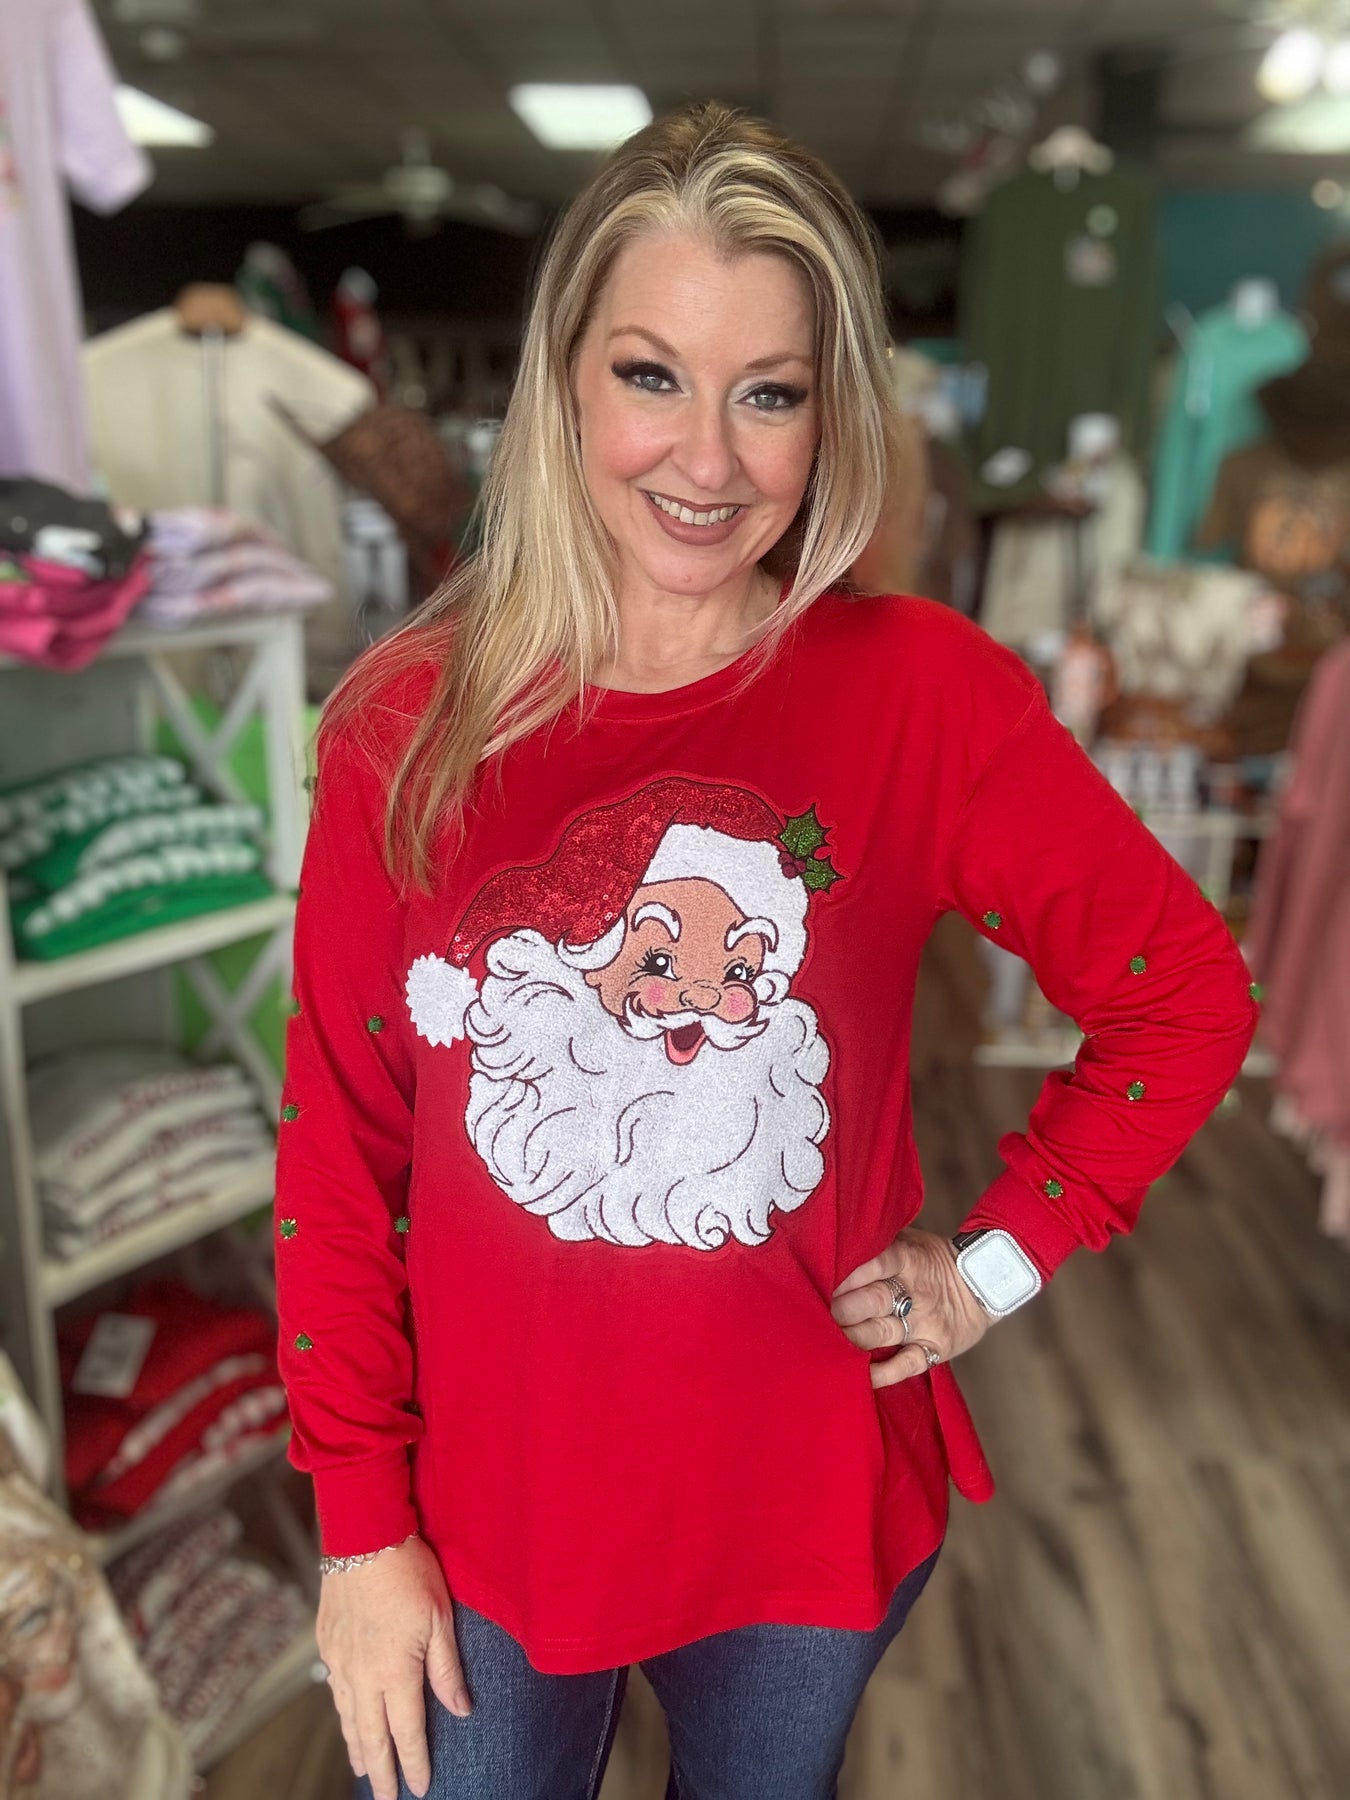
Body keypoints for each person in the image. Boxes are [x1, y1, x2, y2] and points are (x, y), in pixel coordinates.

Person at [274, 102, 1258, 1800]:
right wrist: (361, 1527)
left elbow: (1183, 994)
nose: (707, 459)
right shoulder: (406, 724)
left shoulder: (918, 693)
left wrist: (995, 1264)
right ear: (564, 381)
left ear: (832, 412)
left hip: (801, 1496)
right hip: (485, 1510)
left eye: (771, 393)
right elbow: (338, 1153)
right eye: (651, 375)